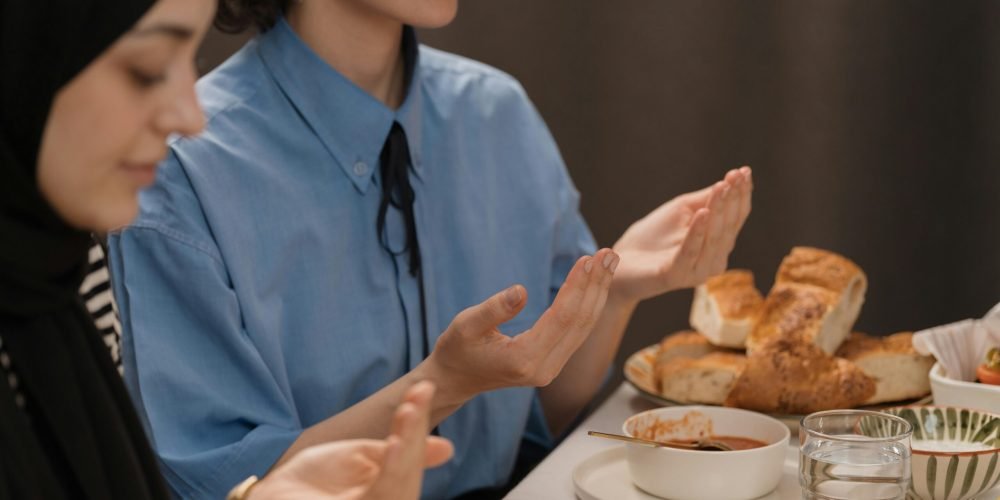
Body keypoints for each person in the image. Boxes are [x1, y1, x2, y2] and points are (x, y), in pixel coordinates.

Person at [107, 0, 753, 497]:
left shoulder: (497, 113)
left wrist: (615, 292)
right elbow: (228, 488)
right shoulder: (176, 172)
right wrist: (440, 387)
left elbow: (541, 411)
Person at [0, 0, 453, 498]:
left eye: (188, 63)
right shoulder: (173, 188)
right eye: (147, 69)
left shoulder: (65, 279)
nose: (189, 117)